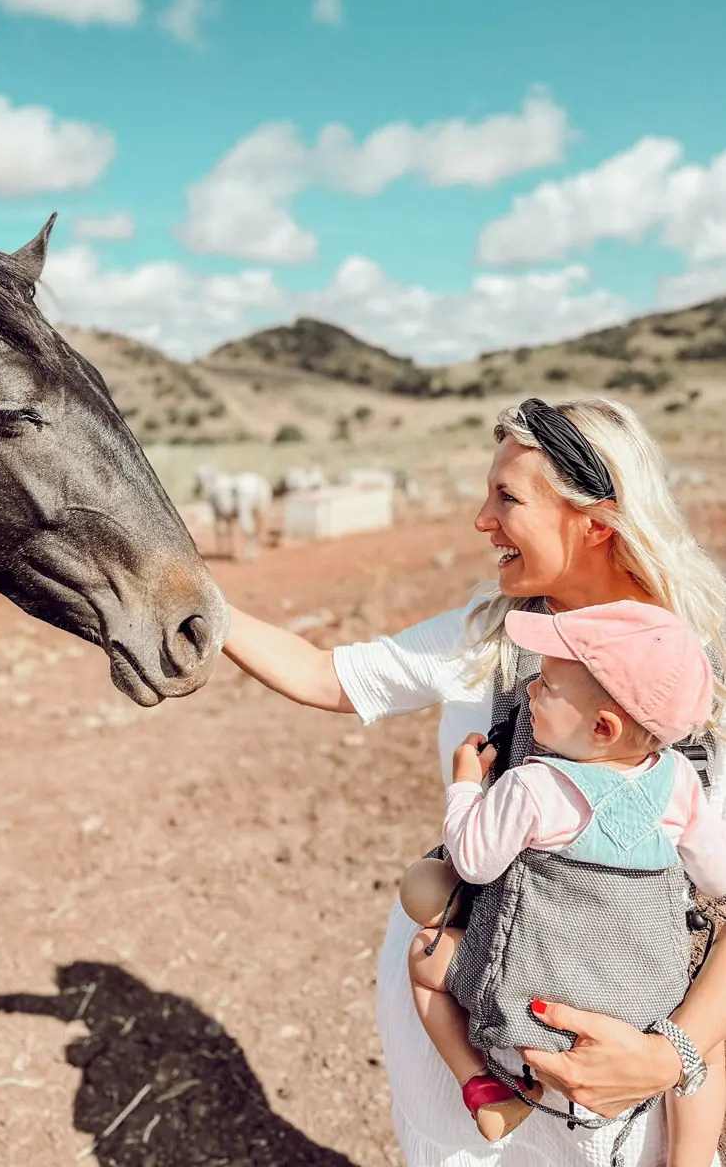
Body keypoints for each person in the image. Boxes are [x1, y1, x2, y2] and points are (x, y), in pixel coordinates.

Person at [223, 396, 726, 1166]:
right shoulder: (487, 632)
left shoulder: (700, 671)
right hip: (472, 1003)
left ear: (595, 520)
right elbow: (326, 675)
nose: (481, 520)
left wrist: (672, 1056)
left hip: (636, 1048)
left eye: (508, 497)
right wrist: (193, 600)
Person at [400, 600, 726, 1167]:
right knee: (705, 1046)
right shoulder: (679, 783)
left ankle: (488, 1089)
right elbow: (718, 878)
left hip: (533, 1002)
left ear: (602, 726)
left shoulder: (537, 786)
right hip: (644, 1013)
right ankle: (691, 1158)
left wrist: (465, 786)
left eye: (546, 685)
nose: (529, 692)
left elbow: (474, 860)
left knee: (425, 961)